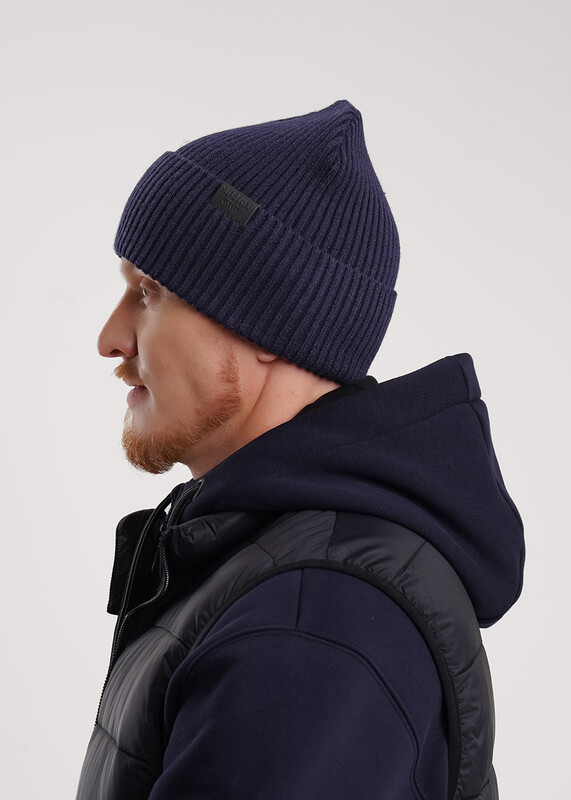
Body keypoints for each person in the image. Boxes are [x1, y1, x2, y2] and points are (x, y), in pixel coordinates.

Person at [76, 101, 524, 800]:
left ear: (267, 323)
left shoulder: (311, 623)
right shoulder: (264, 566)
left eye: (150, 293)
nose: (110, 338)